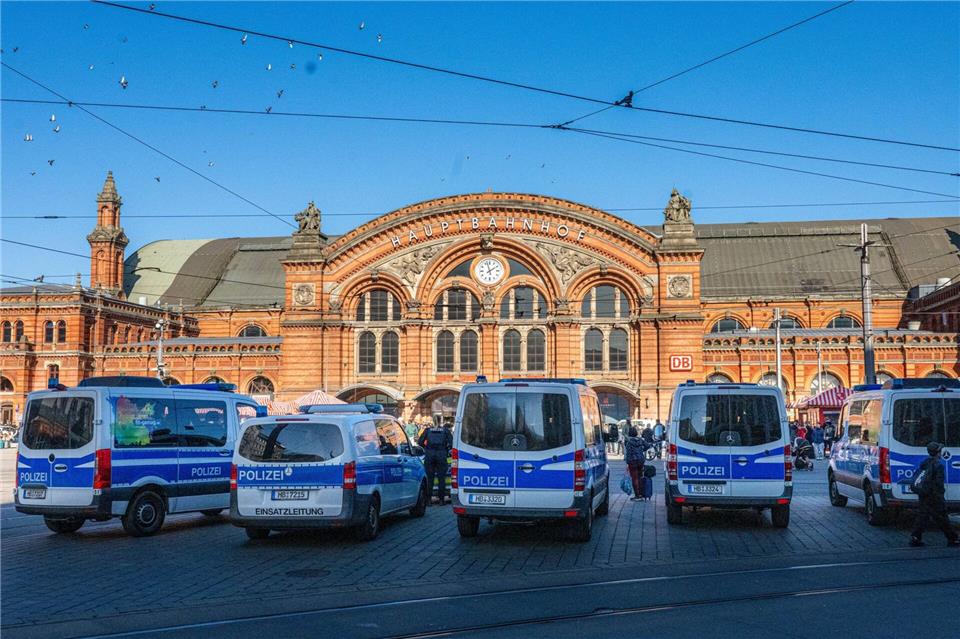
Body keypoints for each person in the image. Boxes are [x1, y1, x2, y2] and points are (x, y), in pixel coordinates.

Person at [910, 441, 960, 547]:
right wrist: (940, 496)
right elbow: (938, 484)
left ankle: (915, 537)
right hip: (934, 496)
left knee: (922, 516)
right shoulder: (939, 466)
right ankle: (953, 539)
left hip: (924, 494)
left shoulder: (925, 462)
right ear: (938, 452)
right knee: (942, 518)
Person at [418, 420, 453, 505]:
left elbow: (420, 442)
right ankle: (441, 500)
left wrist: (427, 448)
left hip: (430, 454)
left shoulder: (428, 430)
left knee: (430, 478)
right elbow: (452, 443)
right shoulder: (445, 431)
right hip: (441, 454)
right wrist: (446, 449)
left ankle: (429, 500)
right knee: (441, 478)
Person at [624, 427, 649, 501]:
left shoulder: (629, 442)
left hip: (632, 462)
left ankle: (637, 495)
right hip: (641, 460)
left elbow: (628, 453)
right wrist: (641, 451)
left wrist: (627, 463)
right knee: (640, 476)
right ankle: (641, 494)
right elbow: (647, 446)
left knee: (634, 478)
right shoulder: (640, 440)